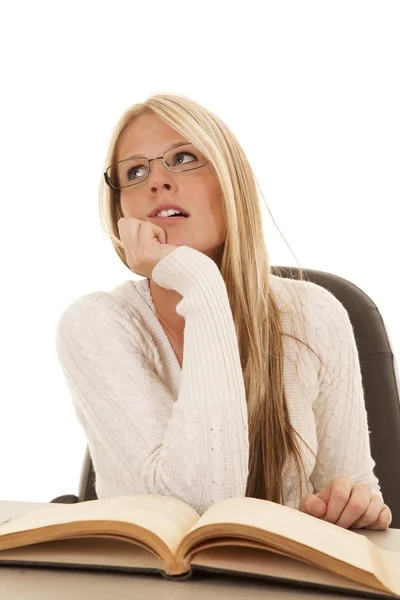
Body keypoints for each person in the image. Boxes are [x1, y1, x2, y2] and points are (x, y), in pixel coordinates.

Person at [56, 92, 391, 530]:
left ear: (230, 180)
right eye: (135, 171)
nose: (156, 181)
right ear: (120, 211)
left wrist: (359, 507)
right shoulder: (94, 325)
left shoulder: (315, 314)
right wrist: (200, 282)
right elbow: (195, 512)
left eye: (182, 157)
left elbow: (358, 494)